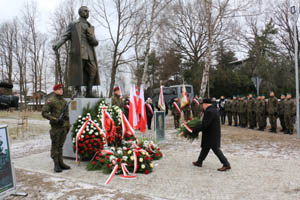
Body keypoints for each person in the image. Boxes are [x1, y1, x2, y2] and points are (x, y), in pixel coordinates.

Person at [52, 6, 100, 98]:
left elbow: (95, 43)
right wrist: (58, 44)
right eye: (85, 11)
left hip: (89, 53)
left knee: (93, 70)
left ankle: (89, 91)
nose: (87, 13)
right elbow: (65, 35)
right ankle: (78, 91)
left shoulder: (90, 26)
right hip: (79, 52)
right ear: (80, 13)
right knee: (79, 72)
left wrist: (92, 39)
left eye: (88, 11)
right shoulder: (74, 24)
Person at [192, 98, 231, 171]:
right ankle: (199, 162)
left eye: (203, 105)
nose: (202, 106)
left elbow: (205, 125)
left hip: (211, 134)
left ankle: (226, 164)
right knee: (205, 148)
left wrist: (194, 129)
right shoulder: (213, 109)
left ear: (205, 104)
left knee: (216, 149)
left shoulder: (209, 111)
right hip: (211, 133)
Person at [42, 84, 71, 173]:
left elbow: (67, 114)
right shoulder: (51, 101)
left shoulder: (64, 101)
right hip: (56, 127)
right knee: (55, 146)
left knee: (60, 146)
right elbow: (44, 113)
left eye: (61, 89)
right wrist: (55, 119)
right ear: (55, 90)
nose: (61, 90)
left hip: (64, 127)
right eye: (59, 89)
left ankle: (61, 162)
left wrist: (67, 124)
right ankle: (56, 164)